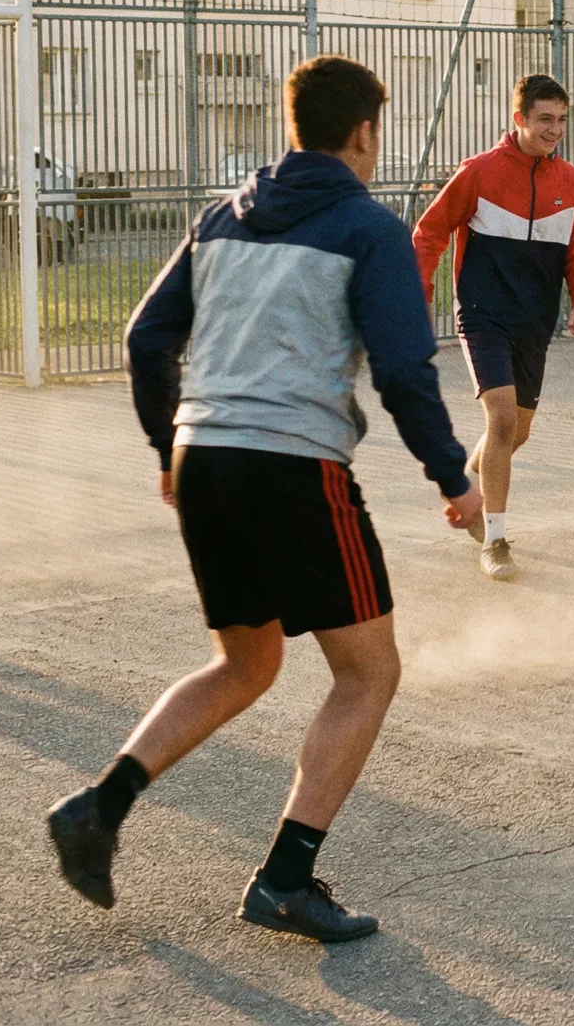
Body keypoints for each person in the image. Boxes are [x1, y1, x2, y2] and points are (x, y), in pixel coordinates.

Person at [46, 55, 483, 941]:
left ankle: (99, 807)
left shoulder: (221, 216)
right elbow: (402, 367)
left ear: (295, 127)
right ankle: (285, 879)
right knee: (369, 672)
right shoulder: (368, 227)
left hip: (205, 456)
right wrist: (454, 477)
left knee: (246, 663)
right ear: (364, 132)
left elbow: (145, 339)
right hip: (293, 467)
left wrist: (167, 445)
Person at [412, 73, 574, 580]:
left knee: (517, 432)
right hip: (483, 315)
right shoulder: (478, 172)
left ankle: (469, 481)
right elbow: (428, 233)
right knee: (501, 421)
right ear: (518, 119)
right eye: (545, 119)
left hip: (534, 321)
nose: (555, 129)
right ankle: (494, 541)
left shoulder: (572, 183)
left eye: (562, 120)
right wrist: (418, 293)